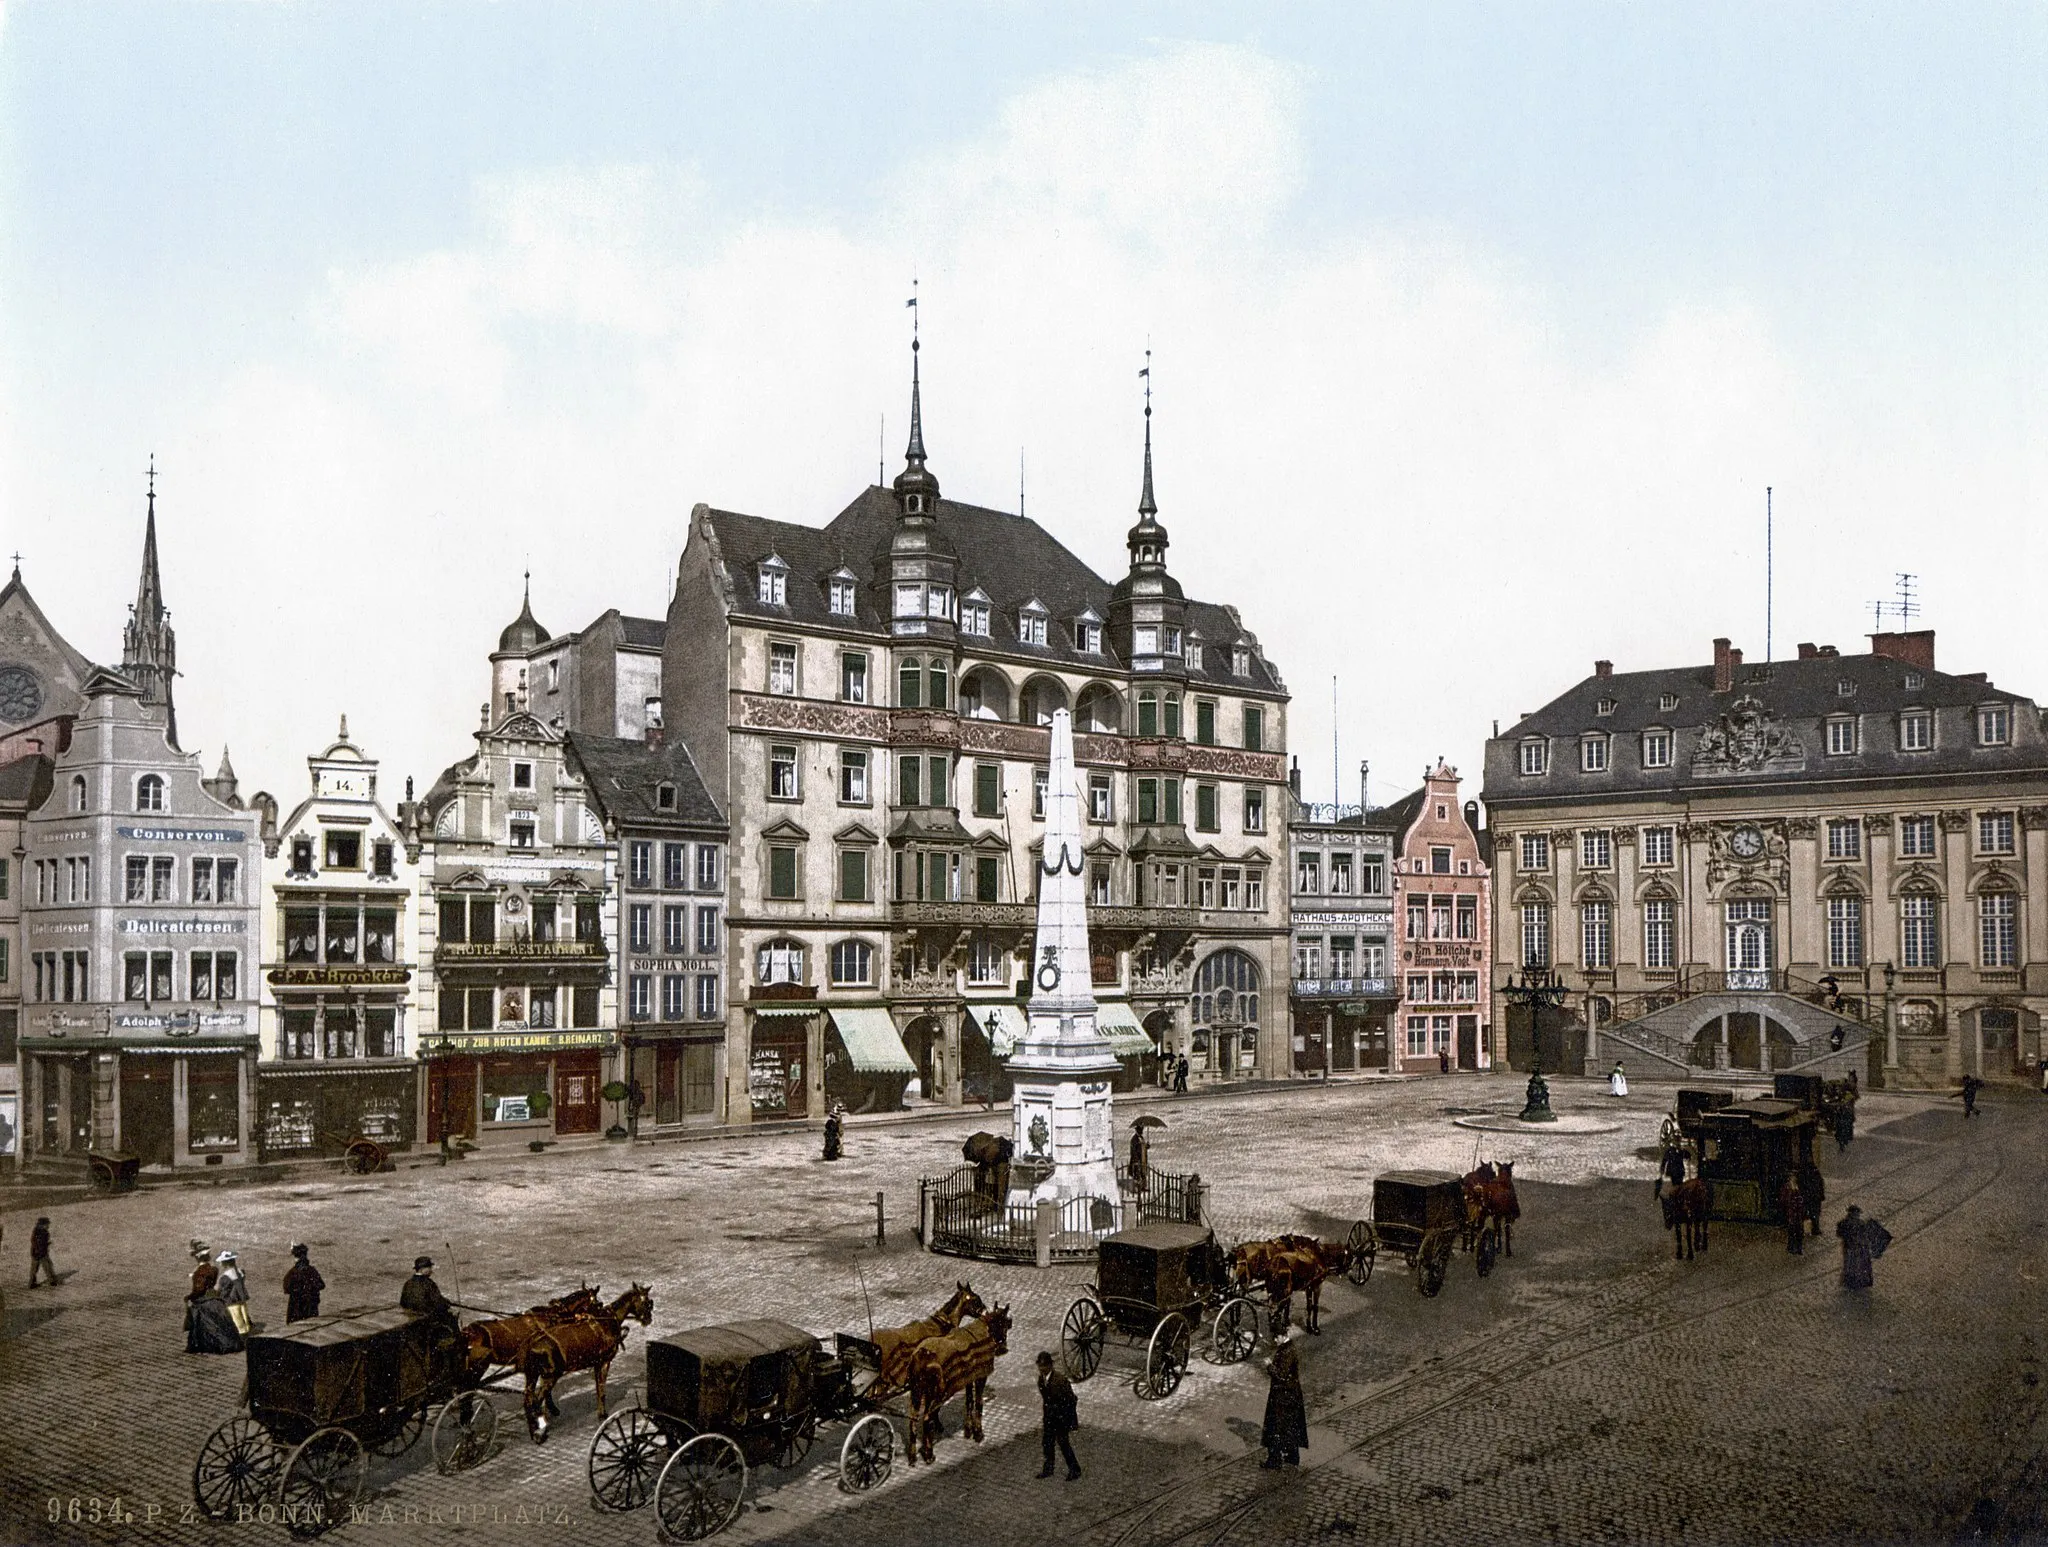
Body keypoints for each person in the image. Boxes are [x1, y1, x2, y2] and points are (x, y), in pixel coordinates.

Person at [1261, 1330, 1308, 1469]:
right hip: (1290, 1396)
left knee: (1276, 1427)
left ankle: (1274, 1460)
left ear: (1282, 1336)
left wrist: (1269, 1365)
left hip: (1283, 1397)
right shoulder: (1287, 1348)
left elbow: (1281, 1375)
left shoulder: (1287, 1351)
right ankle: (1292, 1456)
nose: (1275, 1340)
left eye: (1276, 1337)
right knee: (1290, 1427)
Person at [1035, 1351, 1080, 1480]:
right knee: (1047, 1444)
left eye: (1044, 1366)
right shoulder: (1041, 1380)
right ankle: (1048, 1469)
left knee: (1064, 1444)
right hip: (1049, 1418)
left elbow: (1072, 1400)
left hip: (1060, 1419)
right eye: (1040, 1366)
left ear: (1050, 1366)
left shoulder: (1060, 1380)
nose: (1042, 1369)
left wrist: (1067, 1420)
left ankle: (1075, 1469)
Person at [1836, 1205, 1890, 1291]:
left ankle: (1851, 1281)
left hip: (1849, 1247)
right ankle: (1860, 1281)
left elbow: (1839, 1234)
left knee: (1850, 1264)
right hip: (1860, 1247)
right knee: (1860, 1265)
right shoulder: (1861, 1223)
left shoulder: (1843, 1223)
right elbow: (1866, 1235)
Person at [284, 1243, 325, 1322]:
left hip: (296, 1307)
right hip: (311, 1307)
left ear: (297, 1258)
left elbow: (286, 1288)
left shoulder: (293, 1272)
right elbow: (321, 1285)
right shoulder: (312, 1270)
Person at [216, 1251, 251, 1336]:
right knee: (244, 1319)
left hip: (232, 1302)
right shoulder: (240, 1272)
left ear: (225, 1263)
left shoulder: (225, 1277)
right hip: (241, 1300)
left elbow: (222, 1291)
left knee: (237, 1321)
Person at [1778, 1176, 1805, 1255]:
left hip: (1794, 1214)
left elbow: (1784, 1200)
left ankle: (1794, 1247)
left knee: (1795, 1230)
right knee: (1795, 1230)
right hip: (1794, 1214)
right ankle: (1795, 1247)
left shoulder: (1791, 1189)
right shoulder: (1792, 1189)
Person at [28, 1217, 56, 1288]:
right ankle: (51, 1281)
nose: (48, 1226)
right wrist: (38, 1249)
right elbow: (34, 1241)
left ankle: (32, 1283)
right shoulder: (39, 1232)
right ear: (42, 1224)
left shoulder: (42, 1232)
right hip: (38, 1253)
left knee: (43, 1267)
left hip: (39, 1252)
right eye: (47, 1224)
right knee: (43, 1267)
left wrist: (47, 1244)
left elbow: (37, 1241)